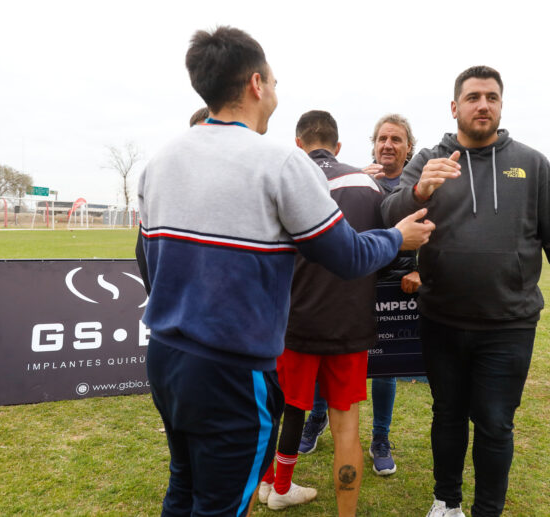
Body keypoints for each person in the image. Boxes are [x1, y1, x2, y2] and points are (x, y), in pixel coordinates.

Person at [136, 26, 434, 517]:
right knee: (222, 503)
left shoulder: (160, 160)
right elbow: (346, 257)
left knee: (182, 487)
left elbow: (146, 260)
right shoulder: (279, 162)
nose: (276, 89)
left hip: (165, 356)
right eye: (274, 81)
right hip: (233, 368)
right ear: (256, 84)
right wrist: (397, 238)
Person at [381, 66, 550, 517]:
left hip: (508, 324)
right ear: (454, 106)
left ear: (501, 105)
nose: (483, 105)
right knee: (447, 415)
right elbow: (389, 214)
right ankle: (446, 503)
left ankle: (487, 511)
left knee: (496, 423)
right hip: (442, 319)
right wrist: (418, 191)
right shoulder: (429, 160)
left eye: (492, 97)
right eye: (473, 97)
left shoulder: (532, 164)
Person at [259, 110, 392, 515]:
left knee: (277, 413)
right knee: (346, 429)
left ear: (298, 144)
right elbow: (386, 251)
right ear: (338, 146)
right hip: (349, 324)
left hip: (293, 322)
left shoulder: (284, 178)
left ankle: (270, 485)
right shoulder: (368, 185)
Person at [299, 114, 420, 478]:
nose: (388, 145)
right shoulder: (359, 180)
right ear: (373, 144)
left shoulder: (417, 186)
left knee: (385, 369)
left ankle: (380, 438)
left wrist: (421, 270)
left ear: (408, 148)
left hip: (396, 287)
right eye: (382, 138)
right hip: (353, 286)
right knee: (328, 354)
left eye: (396, 139)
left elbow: (434, 232)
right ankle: (316, 418)